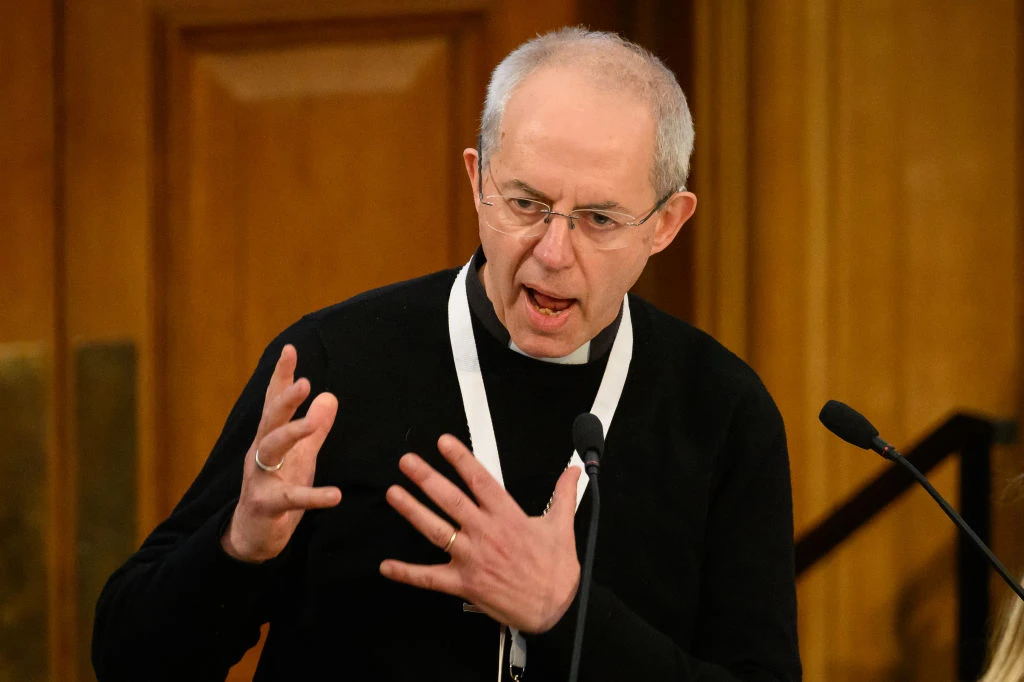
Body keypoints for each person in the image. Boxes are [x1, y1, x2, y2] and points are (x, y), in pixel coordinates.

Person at [92, 27, 801, 681]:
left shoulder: (722, 412)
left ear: (667, 224)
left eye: (598, 220)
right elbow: (128, 659)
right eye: (525, 204)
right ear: (477, 178)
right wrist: (236, 549)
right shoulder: (334, 366)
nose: (553, 253)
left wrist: (564, 613)